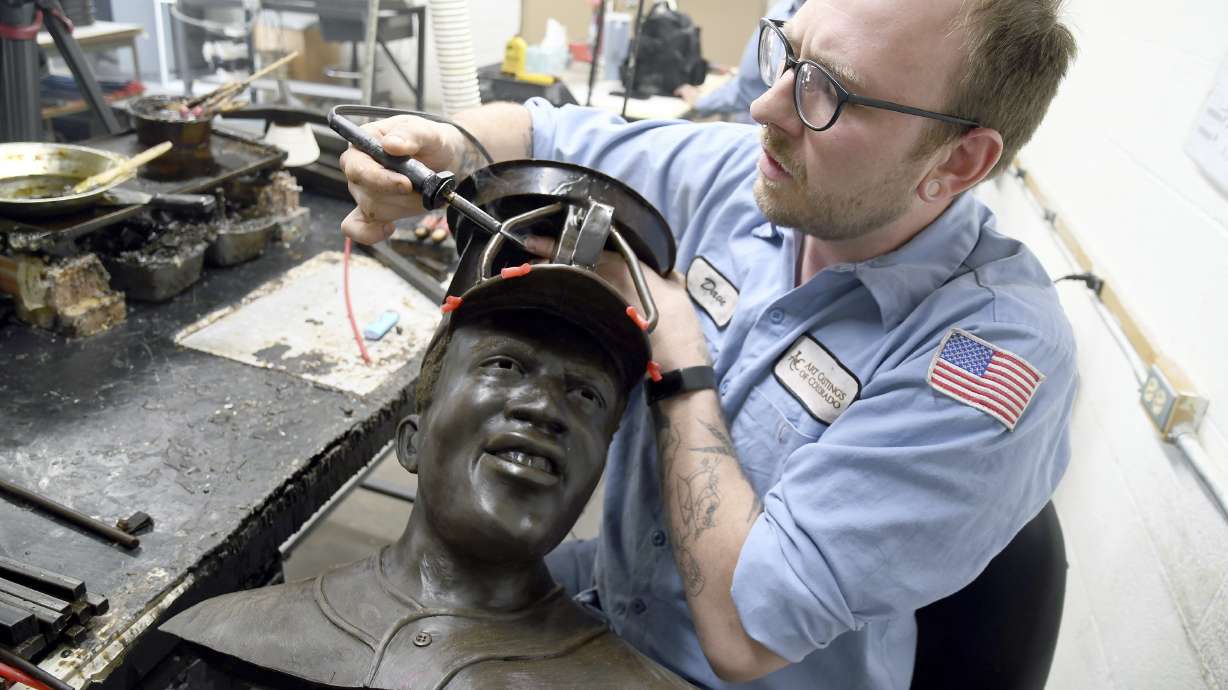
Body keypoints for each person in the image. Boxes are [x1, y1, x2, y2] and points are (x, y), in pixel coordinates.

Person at [338, 1, 1079, 687]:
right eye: (788, 54)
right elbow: (540, 137)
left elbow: (743, 637)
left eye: (829, 92)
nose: (766, 108)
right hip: (613, 610)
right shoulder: (755, 177)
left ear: (957, 162)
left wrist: (679, 359)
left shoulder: (989, 358)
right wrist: (447, 146)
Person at [161, 258, 692, 689]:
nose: (544, 407)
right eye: (505, 365)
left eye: (587, 395)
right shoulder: (237, 633)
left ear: (594, 476)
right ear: (412, 441)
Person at [675, 0, 802, 123]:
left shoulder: (787, 12)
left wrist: (700, 102)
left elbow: (745, 91)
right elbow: (748, 84)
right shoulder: (780, 11)